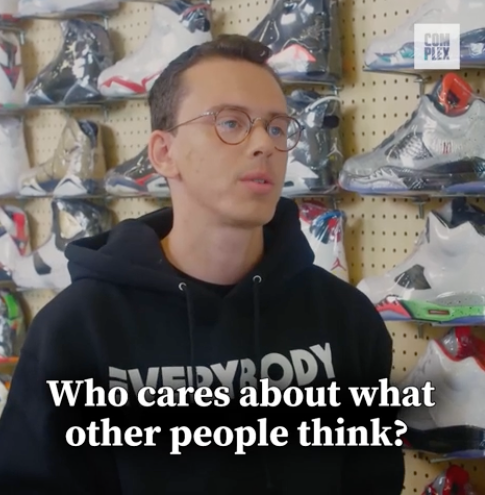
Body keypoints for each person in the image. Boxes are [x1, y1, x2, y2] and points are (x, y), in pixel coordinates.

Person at [0, 34, 405, 494]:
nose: (263, 145)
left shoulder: (345, 321)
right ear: (162, 153)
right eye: (230, 123)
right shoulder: (76, 331)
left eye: (276, 127)